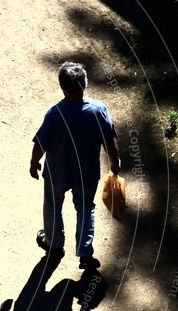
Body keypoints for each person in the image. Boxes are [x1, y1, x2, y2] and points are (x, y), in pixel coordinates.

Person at [30, 62, 120, 269]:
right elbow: (110, 142)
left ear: (62, 87)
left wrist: (34, 163)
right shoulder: (98, 110)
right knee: (86, 208)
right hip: (87, 174)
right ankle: (85, 252)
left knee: (53, 204)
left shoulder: (55, 113)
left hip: (57, 172)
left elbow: (40, 144)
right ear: (85, 84)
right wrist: (115, 163)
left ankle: (53, 243)